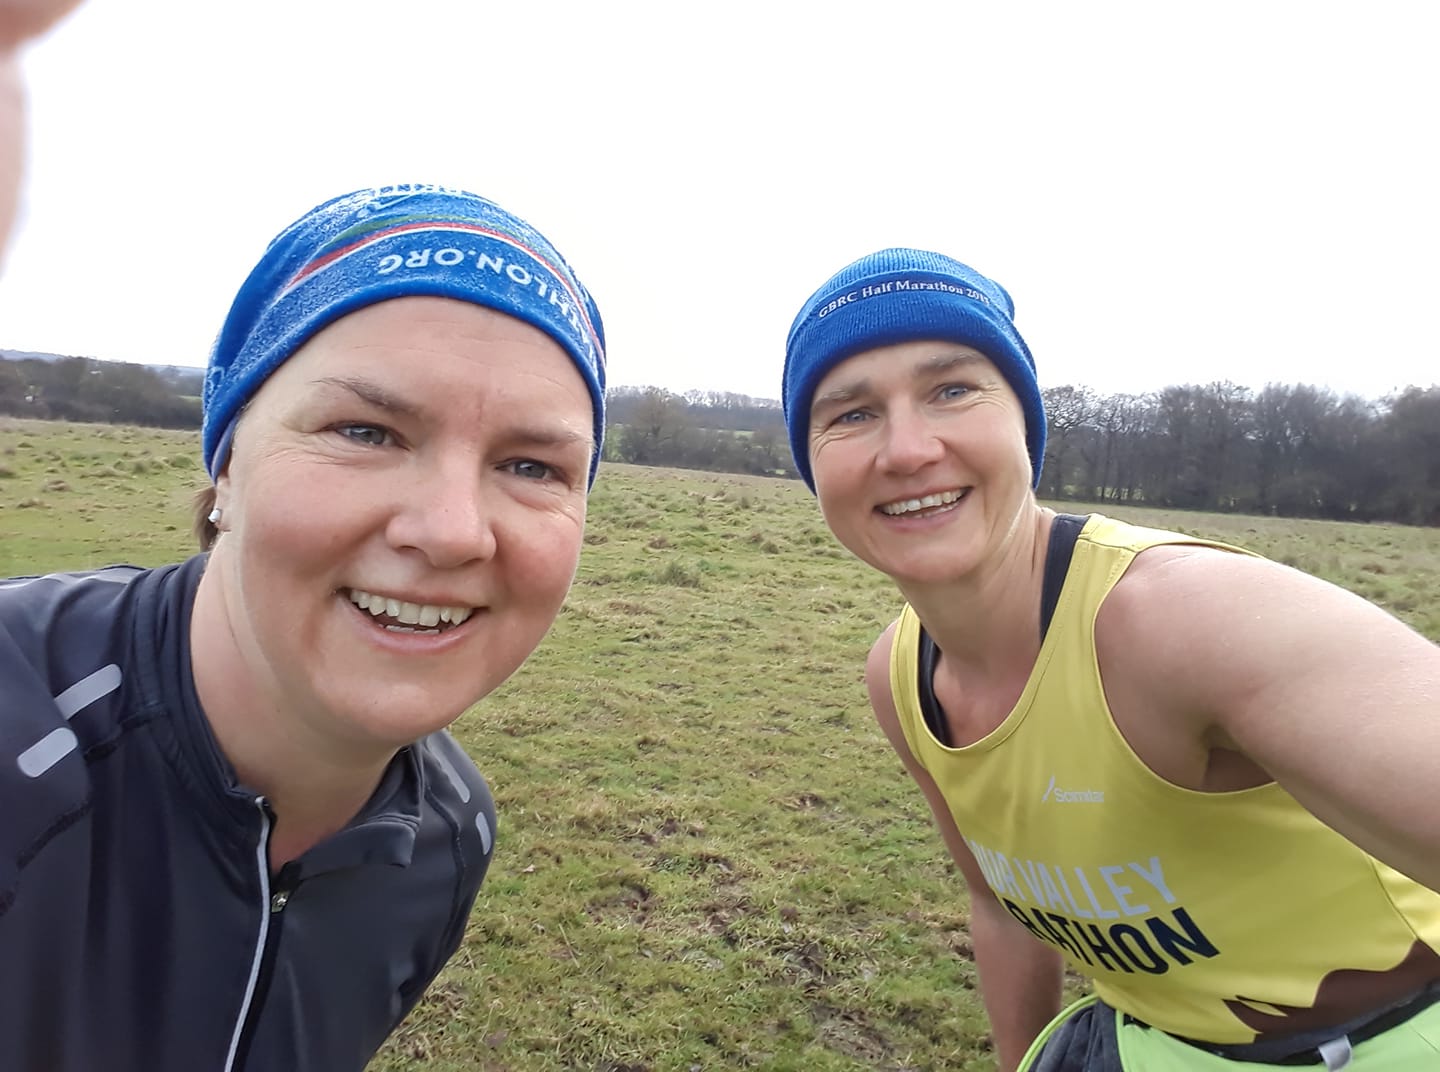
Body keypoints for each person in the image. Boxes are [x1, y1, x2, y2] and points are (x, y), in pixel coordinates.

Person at [780, 248, 1440, 1071]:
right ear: (811, 466)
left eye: (951, 390)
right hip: (1154, 1043)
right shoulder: (900, 677)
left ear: (1024, 423)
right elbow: (999, 904)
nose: (908, 450)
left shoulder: (1186, 616)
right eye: (850, 414)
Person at [0, 182, 607, 1070]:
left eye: (531, 466)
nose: (450, 532)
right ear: (228, 463)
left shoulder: (450, 834)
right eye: (365, 431)